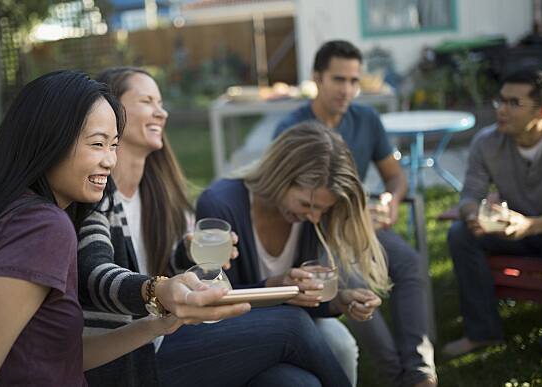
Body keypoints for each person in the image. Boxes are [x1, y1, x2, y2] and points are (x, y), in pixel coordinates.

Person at [0, 70, 230, 386]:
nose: (110, 160)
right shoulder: (43, 228)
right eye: (97, 144)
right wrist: (157, 289)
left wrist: (159, 324)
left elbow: (58, 358)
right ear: (49, 140)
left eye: (113, 145)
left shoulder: (2, 215)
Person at [78, 66, 352, 387]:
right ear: (108, 110)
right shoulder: (95, 194)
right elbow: (93, 274)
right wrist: (157, 290)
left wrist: (187, 257)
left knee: (294, 383)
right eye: (147, 101)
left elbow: (168, 276)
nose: (161, 112)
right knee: (292, 324)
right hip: (129, 353)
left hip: (167, 333)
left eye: (161, 102)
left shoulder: (161, 198)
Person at [273, 40, 437, 387]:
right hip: (312, 231)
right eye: (338, 79)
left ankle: (420, 370)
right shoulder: (292, 128)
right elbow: (282, 198)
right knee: (350, 280)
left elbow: (394, 174)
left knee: (408, 262)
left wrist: (391, 201)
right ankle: (396, 374)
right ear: (317, 78)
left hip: (359, 222)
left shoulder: (366, 119)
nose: (347, 89)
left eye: (354, 80)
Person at [197, 121, 389, 384]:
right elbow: (215, 301)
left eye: (322, 209)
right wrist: (274, 286)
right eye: (306, 204)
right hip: (236, 331)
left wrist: (338, 300)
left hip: (295, 324)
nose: (313, 217)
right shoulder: (220, 204)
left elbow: (299, 301)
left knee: (341, 343)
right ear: (281, 177)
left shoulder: (312, 215)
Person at [442, 70, 542, 373]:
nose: (501, 110)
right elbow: (469, 195)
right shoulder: (486, 142)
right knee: (460, 234)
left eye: (514, 103)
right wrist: (472, 215)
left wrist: (531, 225)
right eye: (500, 101)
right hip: (505, 228)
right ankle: (482, 333)